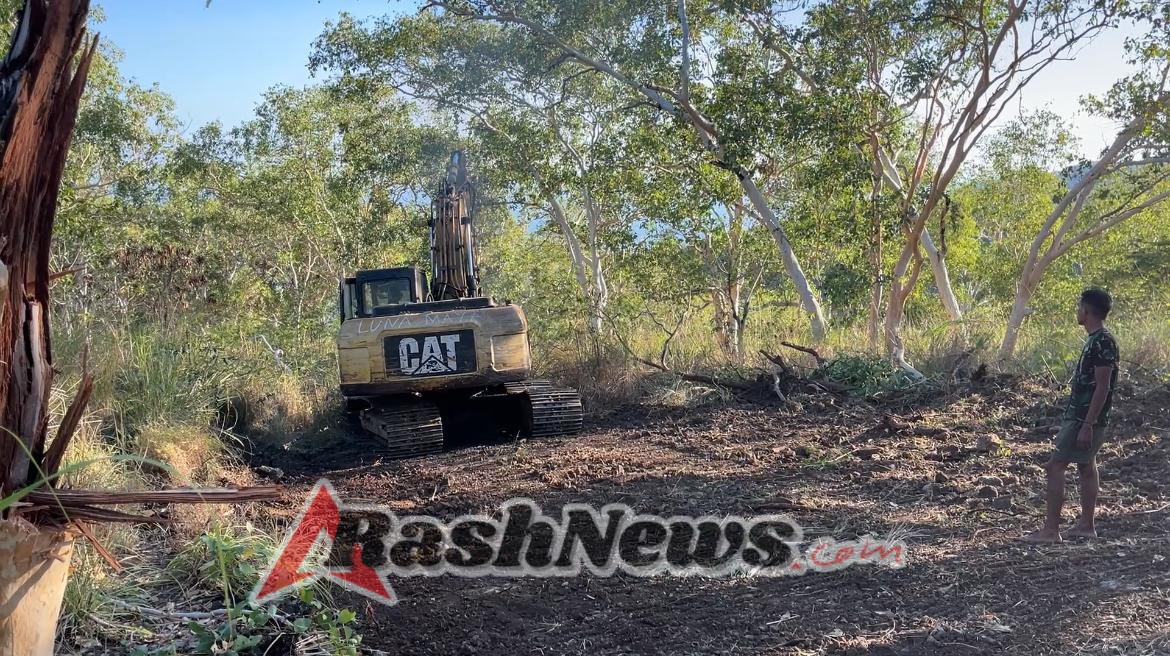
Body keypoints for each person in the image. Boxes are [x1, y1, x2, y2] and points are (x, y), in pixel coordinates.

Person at [1022, 288, 1119, 544]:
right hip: (1083, 416)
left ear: (1086, 311)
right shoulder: (1096, 340)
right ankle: (1086, 526)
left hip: (1084, 418)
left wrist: (1087, 423)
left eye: (1079, 307)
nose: (1077, 311)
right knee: (1087, 466)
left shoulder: (1103, 342)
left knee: (1055, 467)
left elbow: (1103, 386)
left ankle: (1051, 531)